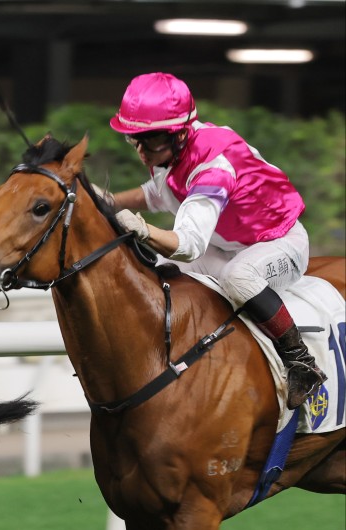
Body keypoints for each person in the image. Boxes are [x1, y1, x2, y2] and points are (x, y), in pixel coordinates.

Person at [107, 72, 326, 410]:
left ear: (179, 133)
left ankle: (301, 362)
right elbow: (156, 195)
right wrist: (108, 201)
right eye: (134, 139)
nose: (141, 150)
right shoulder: (172, 150)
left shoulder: (213, 165)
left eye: (149, 140)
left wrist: (142, 229)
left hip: (281, 242)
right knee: (157, 271)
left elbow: (189, 244)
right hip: (226, 247)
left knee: (239, 277)